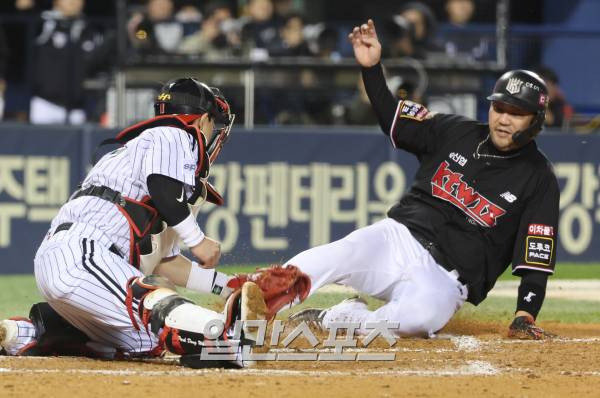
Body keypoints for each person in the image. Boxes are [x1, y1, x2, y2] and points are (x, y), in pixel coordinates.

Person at [284, 20, 559, 339]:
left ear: (535, 121)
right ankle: (253, 303)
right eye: (499, 107)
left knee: (419, 319)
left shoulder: (538, 177)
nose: (504, 118)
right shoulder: (456, 131)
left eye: (516, 112)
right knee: (331, 256)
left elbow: (535, 257)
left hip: (445, 280)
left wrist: (525, 314)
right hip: (397, 239)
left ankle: (338, 318)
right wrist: (372, 70)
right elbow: (393, 122)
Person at [0, 79, 267, 368]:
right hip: (84, 253)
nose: (214, 132)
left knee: (146, 342)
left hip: (81, 267)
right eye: (213, 123)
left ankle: (24, 334)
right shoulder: (174, 133)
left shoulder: (154, 152)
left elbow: (166, 263)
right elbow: (161, 187)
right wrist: (197, 240)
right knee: (146, 300)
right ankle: (224, 337)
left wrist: (230, 285)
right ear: (202, 119)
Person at [29, 0, 112, 125]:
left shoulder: (89, 28)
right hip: (45, 103)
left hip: (77, 107)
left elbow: (98, 63)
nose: (74, 2)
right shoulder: (43, 22)